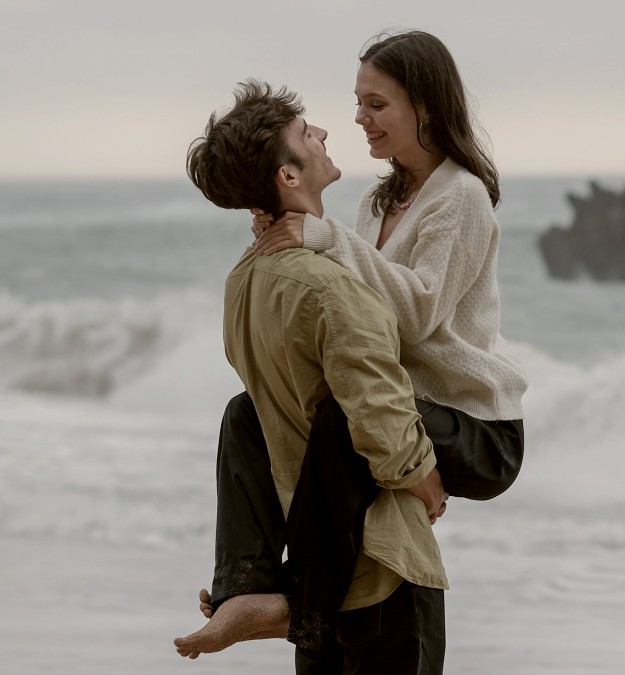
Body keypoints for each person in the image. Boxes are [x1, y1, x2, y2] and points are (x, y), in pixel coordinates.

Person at [175, 79, 451, 673]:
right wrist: (423, 476)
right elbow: (376, 406)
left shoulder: (243, 283)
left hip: (310, 571)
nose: (324, 132)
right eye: (305, 134)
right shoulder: (328, 289)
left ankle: (248, 590)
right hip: (380, 567)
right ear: (288, 176)